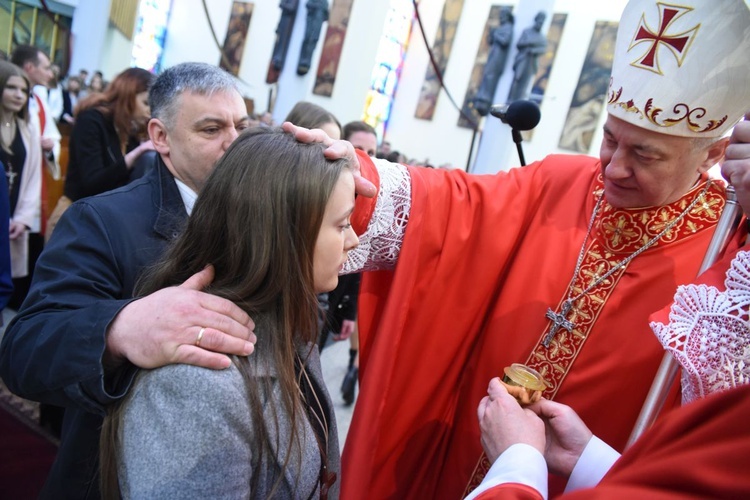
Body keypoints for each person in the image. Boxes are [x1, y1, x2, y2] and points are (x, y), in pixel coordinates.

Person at [281, 1, 750, 497]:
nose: (613, 168)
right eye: (610, 140)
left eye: (645, 154)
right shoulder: (561, 181)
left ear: (713, 153)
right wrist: (349, 177)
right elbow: (455, 208)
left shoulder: (728, 262)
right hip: (465, 453)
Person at [0, 62, 258, 499]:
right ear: (160, 137)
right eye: (211, 128)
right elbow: (24, 350)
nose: (233, 143)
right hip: (115, 472)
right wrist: (119, 329)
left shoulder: (258, 215)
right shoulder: (101, 220)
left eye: (241, 126)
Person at [98, 127, 357, 498]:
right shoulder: (196, 384)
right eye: (343, 224)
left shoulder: (286, 326)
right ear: (283, 234)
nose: (354, 240)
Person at [45, 67, 156, 241]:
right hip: (74, 217)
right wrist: (136, 154)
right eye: (146, 103)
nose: (149, 111)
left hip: (100, 221)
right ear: (127, 95)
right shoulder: (91, 120)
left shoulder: (127, 131)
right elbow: (92, 182)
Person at [9, 45, 61, 308]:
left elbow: (52, 138)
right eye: (45, 66)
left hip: (25, 183)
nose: (50, 72)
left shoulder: (38, 101)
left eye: (21, 91)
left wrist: (49, 147)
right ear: (30, 67)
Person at [0, 62, 42, 288]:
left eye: (24, 91)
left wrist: (24, 218)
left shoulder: (28, 128)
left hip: (13, 215)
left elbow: (34, 177)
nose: (19, 95)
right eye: (11, 88)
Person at [474, 7, 514, 116]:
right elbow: (491, 41)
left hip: (498, 56)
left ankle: (485, 97)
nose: (501, 17)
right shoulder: (500, 28)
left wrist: (496, 35)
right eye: (500, 15)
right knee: (487, 74)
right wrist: (492, 34)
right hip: (493, 53)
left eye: (503, 15)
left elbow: (504, 41)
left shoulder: (508, 28)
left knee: (491, 75)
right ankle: (482, 95)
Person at [507, 11, 547, 103]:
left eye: (542, 22)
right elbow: (519, 44)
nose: (540, 24)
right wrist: (530, 44)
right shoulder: (527, 32)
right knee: (516, 80)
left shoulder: (542, 38)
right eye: (539, 21)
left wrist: (533, 50)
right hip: (522, 60)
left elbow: (542, 49)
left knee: (524, 84)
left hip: (531, 63)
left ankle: (517, 103)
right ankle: (510, 100)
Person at [297, 0, 329, 75]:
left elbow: (326, 15)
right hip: (311, 22)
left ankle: (307, 63)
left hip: (318, 24)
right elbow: (308, 4)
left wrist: (322, 14)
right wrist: (316, 7)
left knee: (314, 41)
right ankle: (302, 61)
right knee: (307, 39)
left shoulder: (325, 2)